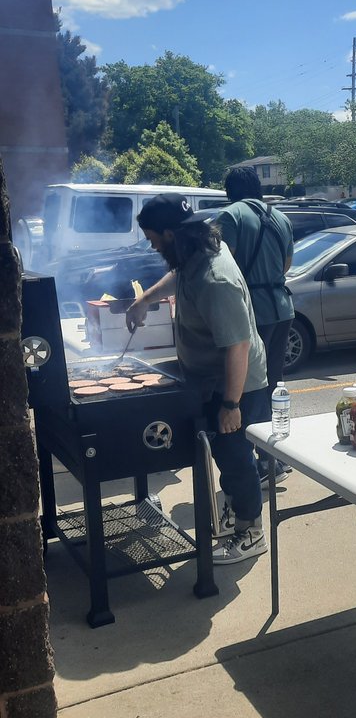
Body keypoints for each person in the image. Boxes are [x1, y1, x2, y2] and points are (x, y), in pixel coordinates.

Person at [126, 193, 270, 565]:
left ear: (172, 234)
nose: (151, 245)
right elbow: (177, 276)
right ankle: (231, 519)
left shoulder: (215, 278)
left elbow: (237, 345)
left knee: (236, 457)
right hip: (209, 377)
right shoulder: (194, 254)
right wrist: (145, 300)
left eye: (154, 239)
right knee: (224, 454)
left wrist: (230, 405)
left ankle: (251, 533)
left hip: (236, 382)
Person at [217, 165, 295, 484]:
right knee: (274, 383)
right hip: (283, 308)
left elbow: (222, 263)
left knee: (250, 388)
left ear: (230, 191)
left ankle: (260, 464)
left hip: (253, 312)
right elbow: (288, 263)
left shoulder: (230, 216)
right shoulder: (281, 217)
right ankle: (275, 456)